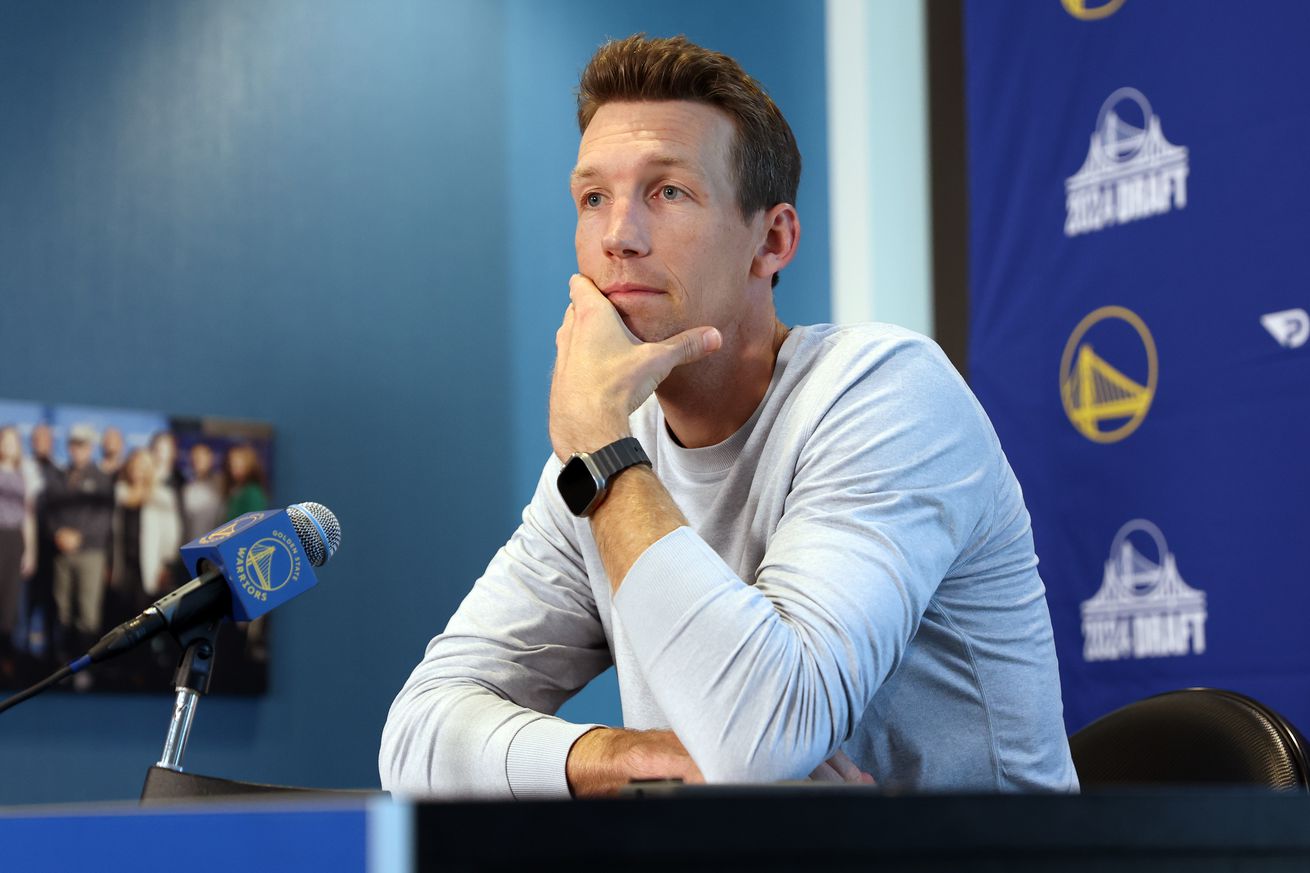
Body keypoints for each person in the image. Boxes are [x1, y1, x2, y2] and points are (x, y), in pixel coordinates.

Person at [380, 35, 1077, 798]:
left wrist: (604, 451)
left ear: (771, 240)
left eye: (667, 192)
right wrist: (618, 756)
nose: (618, 236)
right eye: (593, 198)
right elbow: (416, 734)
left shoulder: (888, 393)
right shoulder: (600, 454)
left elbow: (759, 740)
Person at [47, 424, 114, 658]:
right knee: (61, 608)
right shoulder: (59, 476)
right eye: (74, 444)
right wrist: (58, 533)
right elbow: (49, 511)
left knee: (87, 612)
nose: (77, 450)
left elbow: (104, 518)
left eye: (82, 445)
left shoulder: (102, 478)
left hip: (91, 552)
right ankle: (62, 664)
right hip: (62, 552)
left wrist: (79, 537)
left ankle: (87, 668)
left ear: (91, 448)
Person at [0, 426, 35, 667]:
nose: (9, 444)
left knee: (10, 602)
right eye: (5, 440)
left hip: (15, 540)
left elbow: (28, 516)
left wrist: (31, 551)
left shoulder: (24, 475)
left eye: (13, 441)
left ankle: (7, 659)